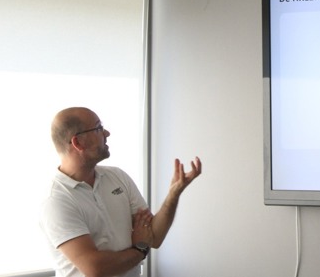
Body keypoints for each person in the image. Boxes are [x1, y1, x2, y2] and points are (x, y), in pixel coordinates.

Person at [40, 107, 202, 277]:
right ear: (78, 143)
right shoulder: (56, 200)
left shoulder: (117, 177)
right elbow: (96, 269)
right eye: (98, 128)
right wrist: (140, 249)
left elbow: (154, 237)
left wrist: (174, 194)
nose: (107, 133)